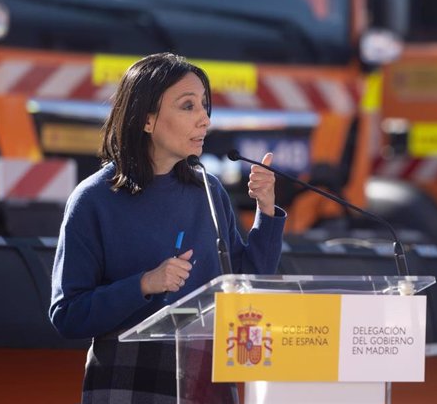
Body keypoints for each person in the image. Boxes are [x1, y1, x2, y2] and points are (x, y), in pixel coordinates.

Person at [49, 53, 286, 403]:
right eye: (188, 106)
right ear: (146, 119)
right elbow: (68, 315)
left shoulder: (209, 189)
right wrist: (145, 284)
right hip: (128, 381)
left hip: (206, 379)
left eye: (205, 106)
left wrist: (266, 210)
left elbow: (247, 283)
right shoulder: (93, 200)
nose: (204, 119)